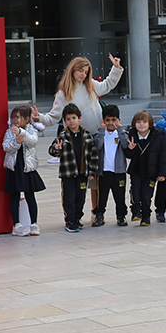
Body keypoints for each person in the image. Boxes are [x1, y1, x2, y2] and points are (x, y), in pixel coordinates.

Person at [32, 54, 123, 218]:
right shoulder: (64, 93)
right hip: (79, 140)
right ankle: (73, 214)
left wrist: (116, 68)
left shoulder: (91, 85)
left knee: (97, 178)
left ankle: (97, 212)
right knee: (78, 181)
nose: (83, 75)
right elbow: (54, 116)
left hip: (97, 136)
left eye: (86, 72)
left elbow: (108, 84)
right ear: (72, 70)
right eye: (80, 71)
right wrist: (40, 118)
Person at [48, 103, 98, 233]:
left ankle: (77, 218)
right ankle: (70, 220)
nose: (71, 121)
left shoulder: (86, 135)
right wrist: (57, 149)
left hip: (82, 173)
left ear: (79, 118)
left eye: (73, 118)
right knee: (69, 197)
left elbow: (93, 155)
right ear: (64, 121)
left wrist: (92, 171)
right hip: (68, 173)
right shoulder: (63, 136)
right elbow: (52, 151)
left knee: (80, 197)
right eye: (68, 119)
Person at [3, 105, 46, 236]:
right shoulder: (9, 132)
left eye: (18, 117)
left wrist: (22, 133)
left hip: (28, 168)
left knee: (30, 195)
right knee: (14, 196)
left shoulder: (32, 130)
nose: (15, 120)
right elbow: (6, 147)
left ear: (27, 119)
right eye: (13, 117)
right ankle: (16, 224)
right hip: (14, 168)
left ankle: (34, 223)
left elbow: (33, 142)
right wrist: (16, 141)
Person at [123, 111, 166, 227]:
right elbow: (128, 154)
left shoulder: (158, 136)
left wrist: (162, 173)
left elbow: (164, 155)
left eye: (144, 122)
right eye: (138, 122)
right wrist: (130, 148)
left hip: (151, 172)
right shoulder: (131, 135)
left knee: (146, 195)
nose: (141, 125)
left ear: (150, 124)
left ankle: (146, 216)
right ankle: (136, 210)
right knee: (135, 192)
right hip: (136, 171)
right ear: (134, 123)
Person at [92, 104, 130, 227]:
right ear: (103, 121)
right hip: (103, 171)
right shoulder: (99, 134)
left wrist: (120, 129)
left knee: (119, 196)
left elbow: (125, 145)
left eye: (114, 120)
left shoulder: (122, 133)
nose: (110, 123)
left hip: (118, 171)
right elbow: (97, 146)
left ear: (118, 120)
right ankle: (99, 215)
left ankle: (121, 216)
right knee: (101, 196)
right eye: (108, 120)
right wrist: (102, 131)